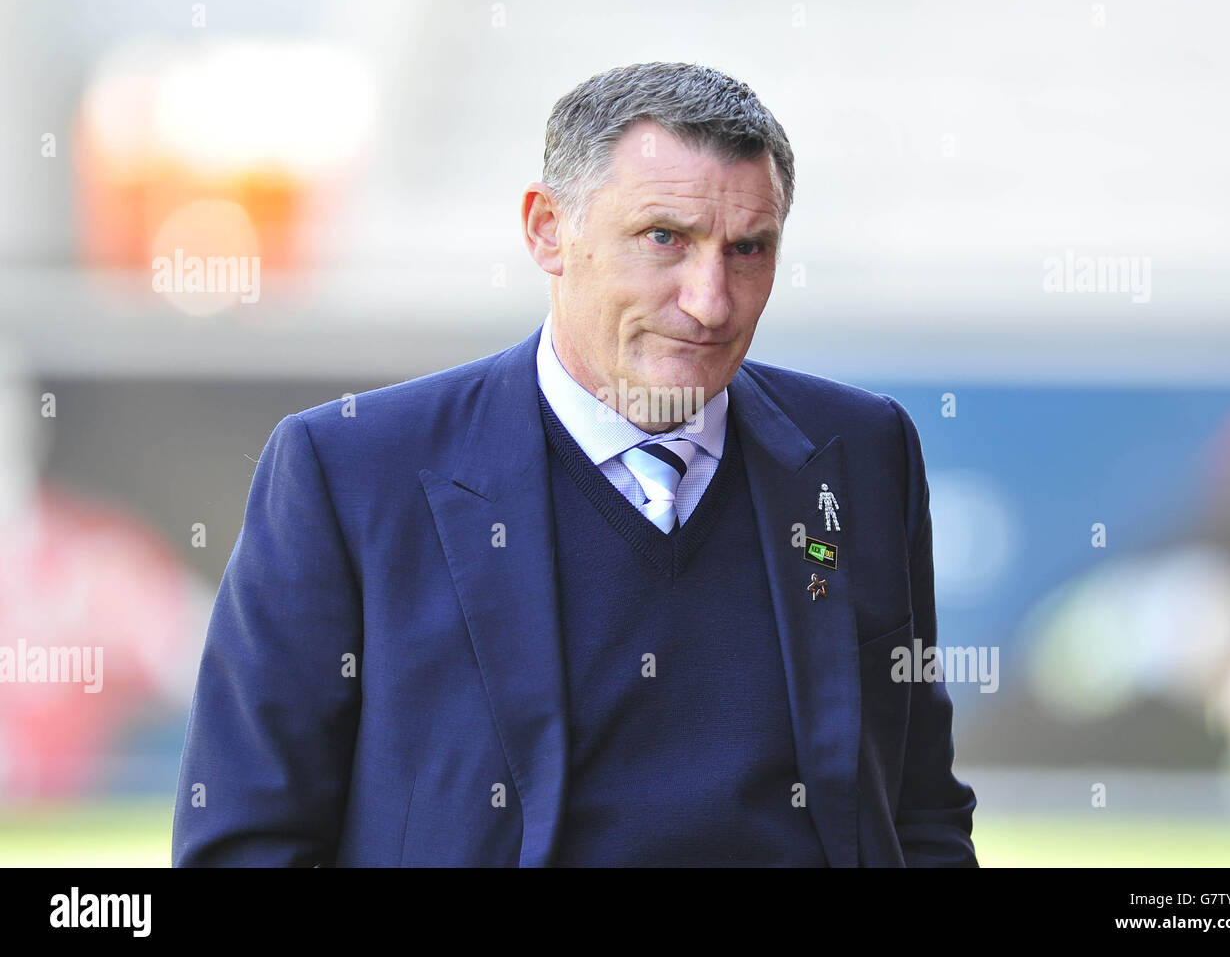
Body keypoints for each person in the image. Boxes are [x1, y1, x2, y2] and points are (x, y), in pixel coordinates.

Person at [172, 61, 977, 867]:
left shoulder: (864, 452)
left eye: (748, 249)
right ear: (547, 230)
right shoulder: (348, 472)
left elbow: (920, 808)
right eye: (665, 238)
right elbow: (245, 842)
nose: (711, 300)